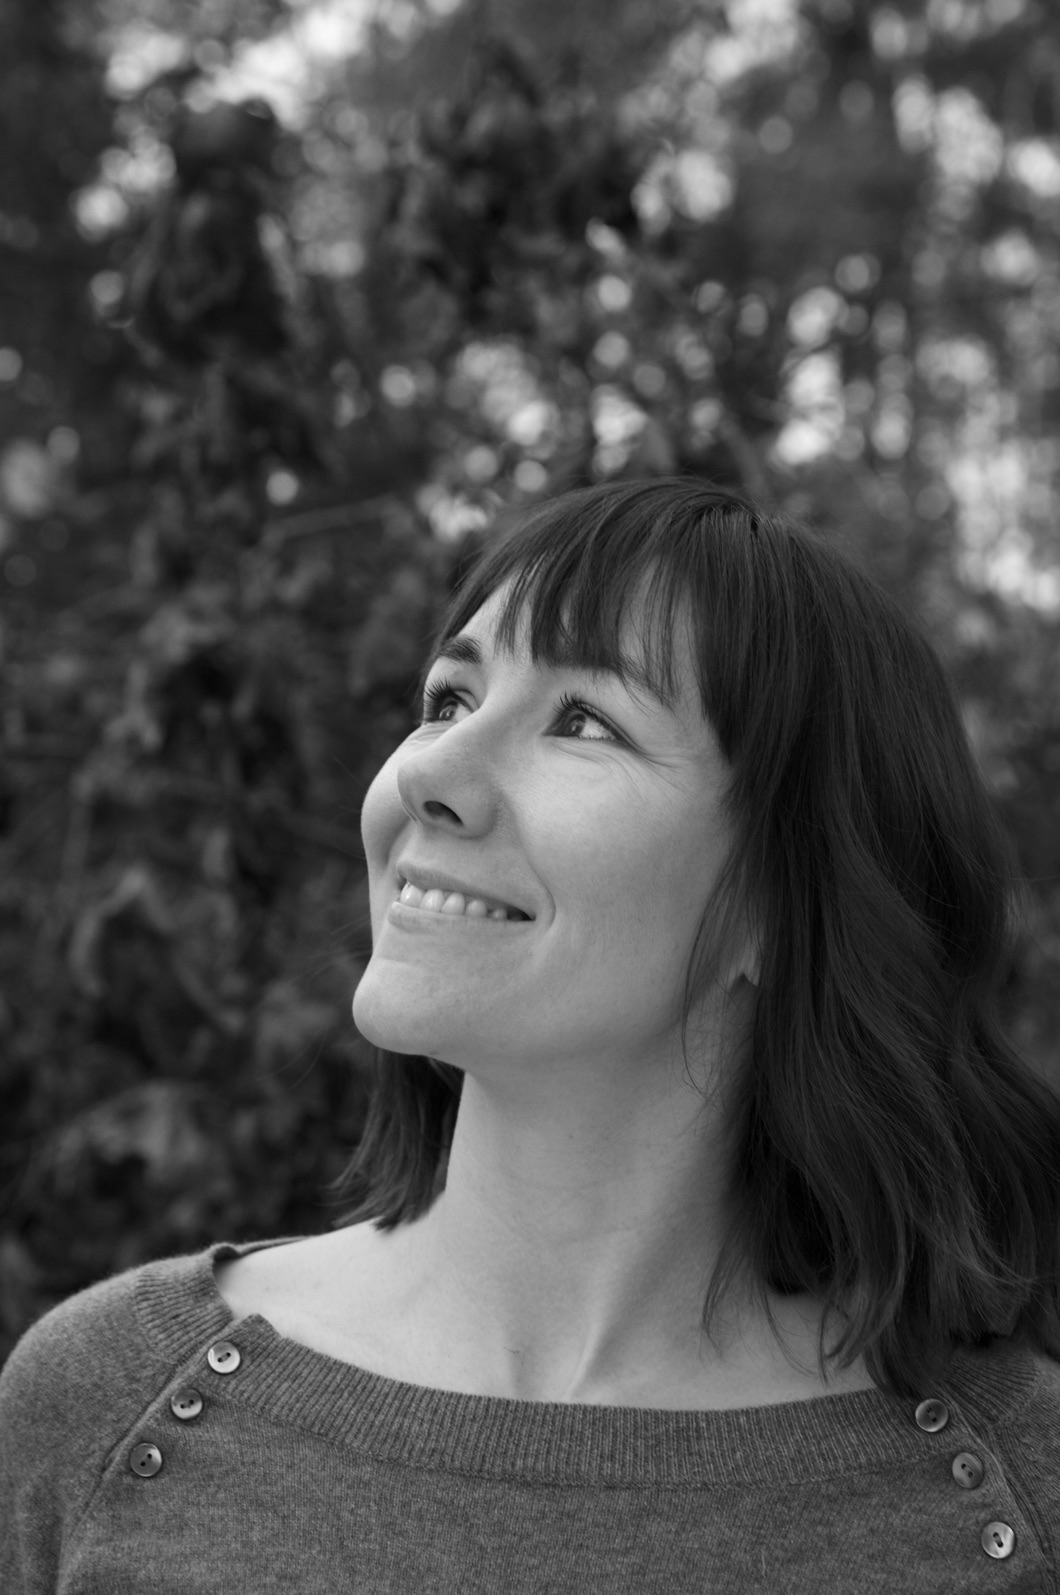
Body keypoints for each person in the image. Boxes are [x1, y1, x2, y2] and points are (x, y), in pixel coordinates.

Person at [2, 476, 1059, 1592]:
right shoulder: (105, 1399)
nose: (428, 771)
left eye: (584, 720)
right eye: (449, 698)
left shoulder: (1014, 1491)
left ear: (779, 901)